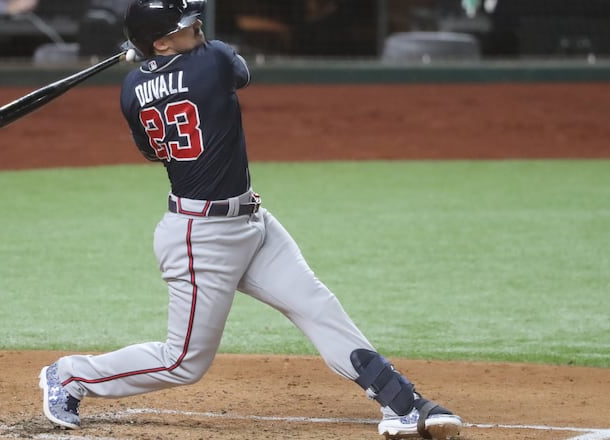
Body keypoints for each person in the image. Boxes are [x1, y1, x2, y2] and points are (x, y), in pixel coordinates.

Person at [38, 1, 463, 439]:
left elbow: (152, 151)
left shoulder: (129, 90)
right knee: (182, 362)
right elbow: (238, 69)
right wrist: (166, 61)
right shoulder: (215, 61)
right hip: (200, 238)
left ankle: (402, 404)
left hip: (251, 222)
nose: (198, 27)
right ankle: (69, 377)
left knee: (315, 304)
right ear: (162, 42)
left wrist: (154, 65)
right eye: (186, 26)